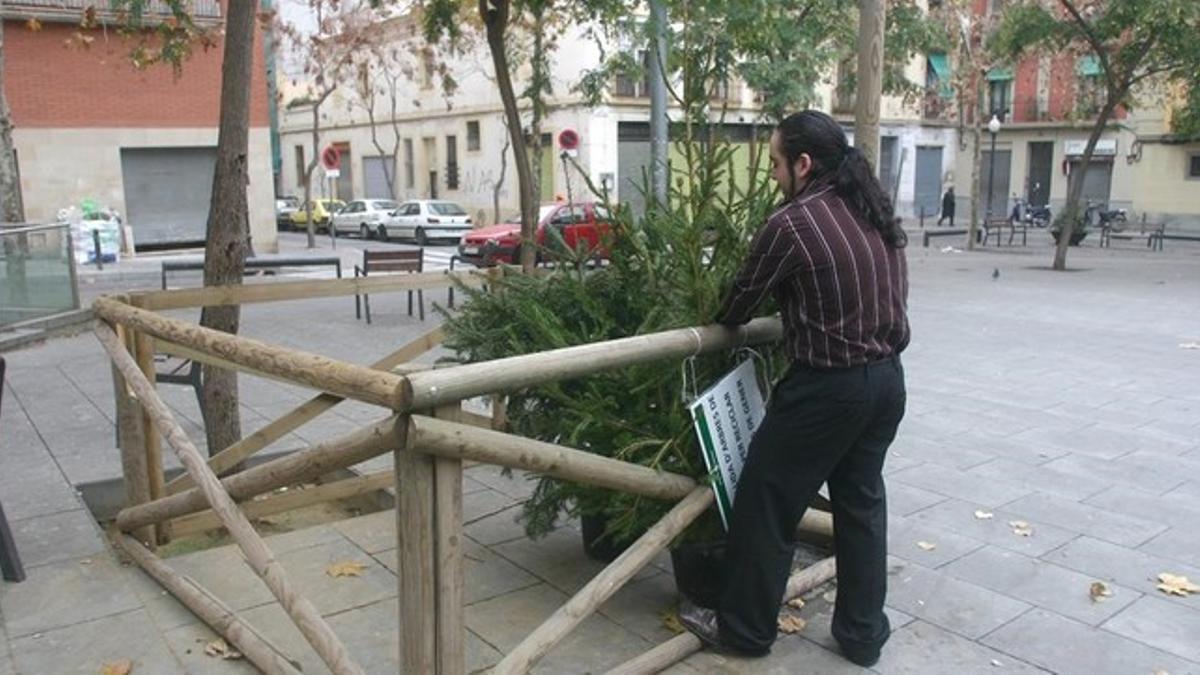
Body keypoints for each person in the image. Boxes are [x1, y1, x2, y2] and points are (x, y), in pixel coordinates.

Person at [678, 110, 910, 668]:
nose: (774, 177)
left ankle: (745, 630)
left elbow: (738, 304)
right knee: (861, 507)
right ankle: (862, 635)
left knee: (766, 500)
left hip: (827, 390)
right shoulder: (873, 210)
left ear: (804, 164)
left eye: (778, 164)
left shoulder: (795, 223)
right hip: (887, 384)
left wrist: (720, 318)